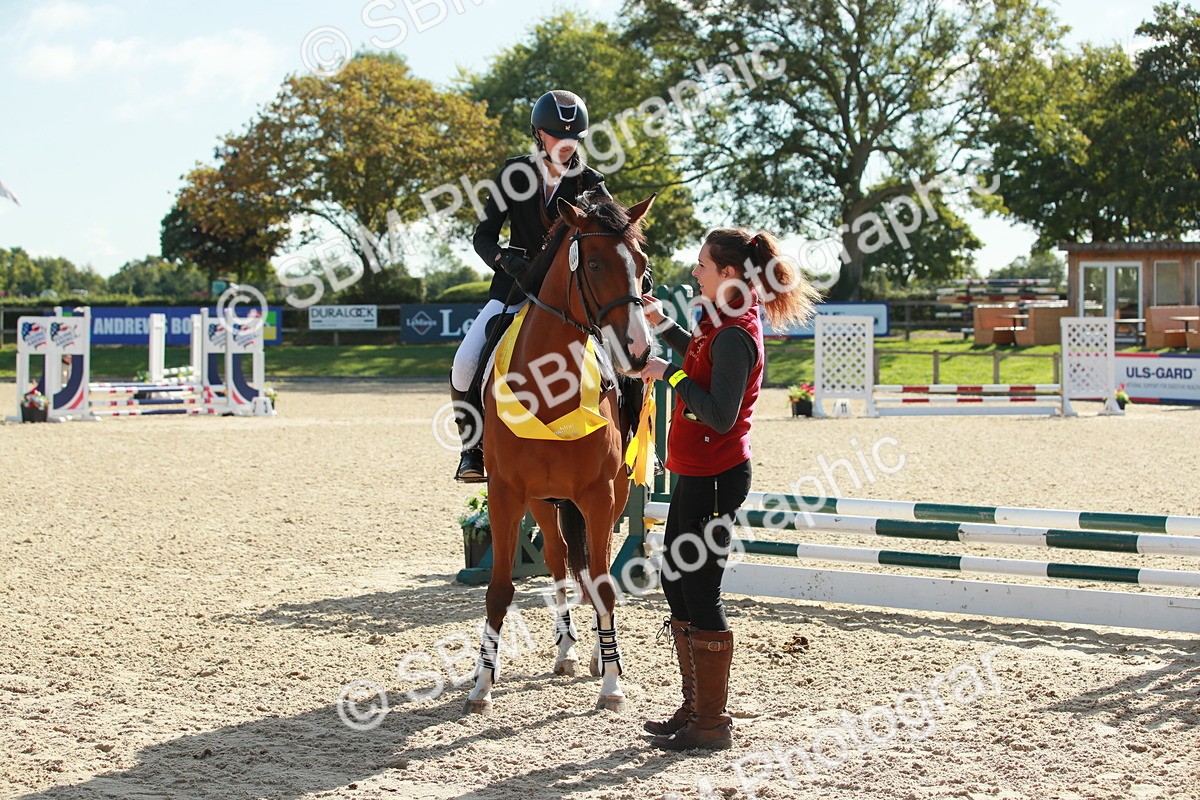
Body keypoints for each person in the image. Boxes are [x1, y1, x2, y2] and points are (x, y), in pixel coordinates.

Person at [638, 228, 820, 751]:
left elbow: (717, 413)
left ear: (730, 275)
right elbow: (699, 355)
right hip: (696, 473)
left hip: (716, 476)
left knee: (700, 590)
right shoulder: (720, 322)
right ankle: (696, 707)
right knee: (675, 579)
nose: (694, 273)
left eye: (702, 266)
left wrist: (667, 374)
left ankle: (712, 724)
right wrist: (661, 325)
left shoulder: (737, 332)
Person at [450, 90, 610, 482]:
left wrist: (643, 274)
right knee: (466, 362)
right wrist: (504, 259)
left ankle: (632, 440)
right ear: (539, 134)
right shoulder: (513, 175)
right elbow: (483, 235)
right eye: (558, 136)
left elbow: (616, 232)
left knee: (618, 361)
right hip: (514, 286)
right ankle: (472, 450)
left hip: (570, 294)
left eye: (574, 138)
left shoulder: (590, 182)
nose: (567, 144)